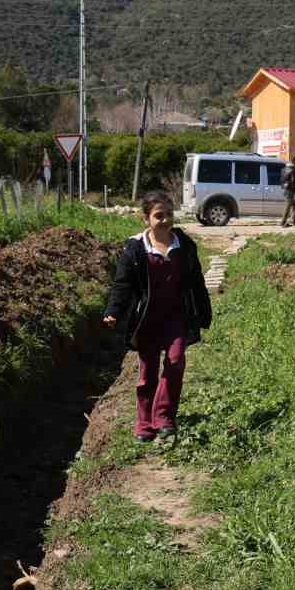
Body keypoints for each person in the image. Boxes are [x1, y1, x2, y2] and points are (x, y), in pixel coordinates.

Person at [102, 190, 212, 444]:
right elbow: (123, 285)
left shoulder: (183, 246)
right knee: (147, 373)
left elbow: (196, 282)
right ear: (146, 219)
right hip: (147, 320)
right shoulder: (135, 250)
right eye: (158, 215)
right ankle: (144, 422)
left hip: (176, 318)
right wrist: (113, 311)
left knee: (175, 362)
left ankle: (164, 417)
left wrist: (203, 311)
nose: (165, 220)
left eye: (169, 214)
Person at [280, 162, 295, 227]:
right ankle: (283, 223)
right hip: (290, 191)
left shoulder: (284, 170)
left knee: (293, 204)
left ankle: (294, 220)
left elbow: (282, 181)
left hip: (286, 190)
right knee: (288, 207)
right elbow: (293, 180)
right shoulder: (292, 171)